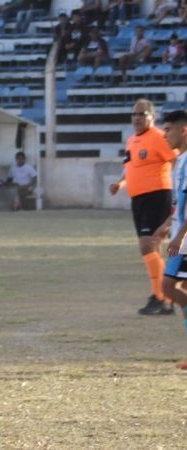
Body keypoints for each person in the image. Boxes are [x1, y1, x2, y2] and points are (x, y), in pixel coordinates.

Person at [109, 99, 178, 315]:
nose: (137, 118)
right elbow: (129, 167)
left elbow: (177, 160)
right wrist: (120, 183)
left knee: (147, 245)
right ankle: (162, 298)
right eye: (134, 114)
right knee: (152, 248)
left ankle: (162, 295)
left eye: (142, 114)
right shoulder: (131, 141)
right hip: (138, 200)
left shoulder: (159, 138)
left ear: (152, 116)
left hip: (157, 196)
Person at [156, 110, 187, 369]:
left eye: (168, 129)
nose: (164, 134)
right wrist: (167, 225)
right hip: (181, 235)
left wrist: (178, 235)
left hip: (186, 240)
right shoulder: (179, 161)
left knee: (167, 288)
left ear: (183, 130)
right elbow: (180, 204)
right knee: (182, 290)